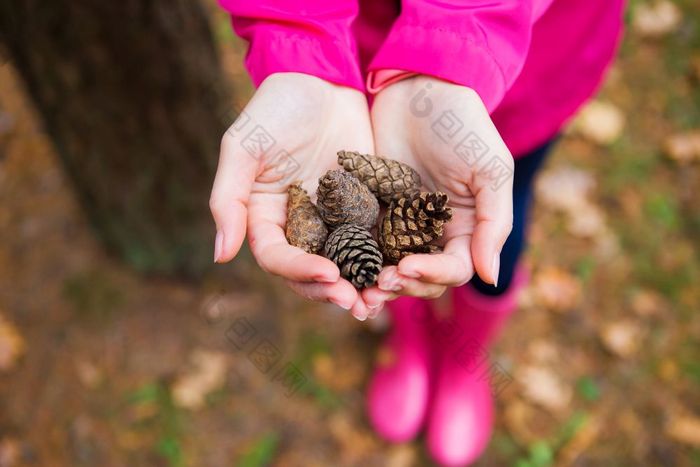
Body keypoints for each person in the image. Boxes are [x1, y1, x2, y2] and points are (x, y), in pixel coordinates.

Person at [210, 0, 624, 464]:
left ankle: (466, 358)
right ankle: (410, 341)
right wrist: (300, 43)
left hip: (541, 60)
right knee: (405, 268)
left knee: (496, 233)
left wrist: (452, 47)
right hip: (358, 58)